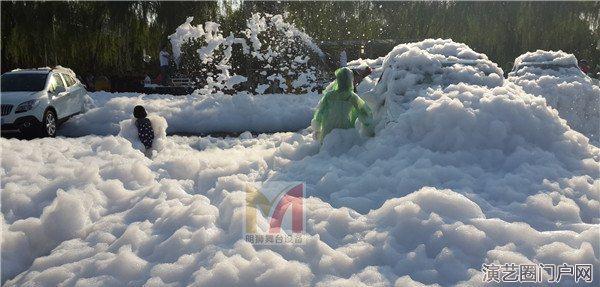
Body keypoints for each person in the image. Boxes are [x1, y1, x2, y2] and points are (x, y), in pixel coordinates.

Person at [312, 67, 374, 142]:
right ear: (350, 80)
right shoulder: (352, 97)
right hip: (346, 135)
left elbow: (319, 113)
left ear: (338, 80)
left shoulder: (329, 96)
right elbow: (365, 114)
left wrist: (317, 129)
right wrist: (370, 132)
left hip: (328, 135)